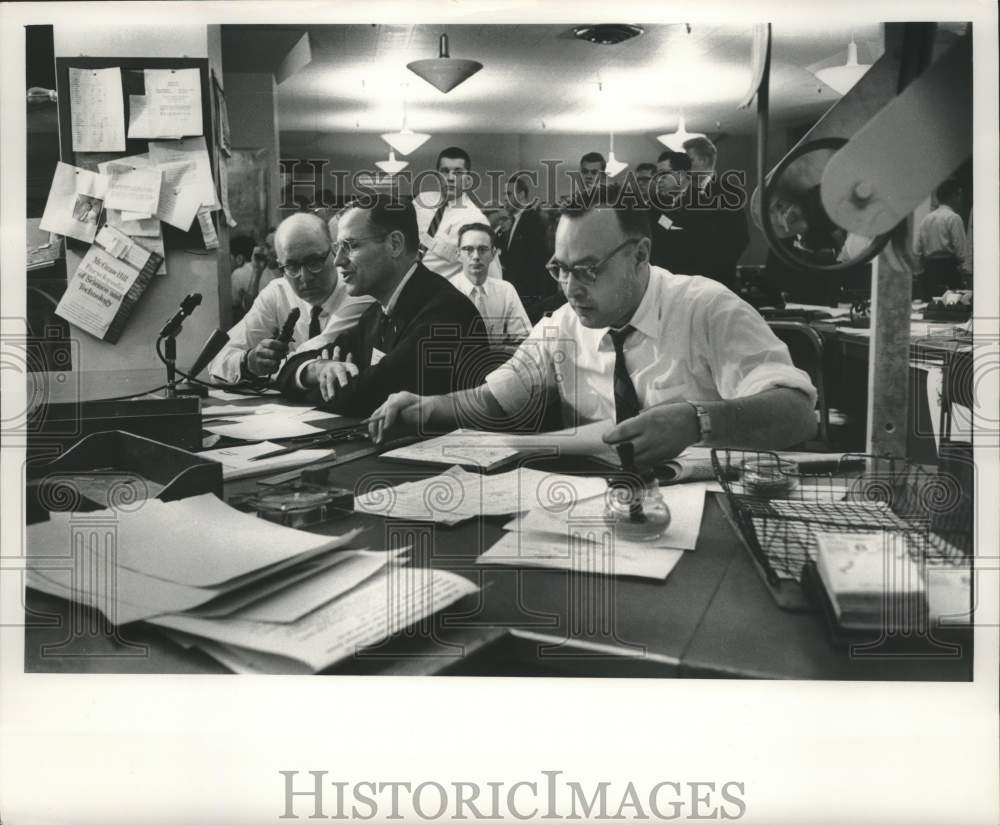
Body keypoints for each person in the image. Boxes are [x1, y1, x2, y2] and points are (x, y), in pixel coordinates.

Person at [369, 186, 818, 469]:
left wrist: (696, 420)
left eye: (587, 269)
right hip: (595, 511)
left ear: (640, 255)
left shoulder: (706, 307)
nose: (570, 289)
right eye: (560, 269)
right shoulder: (564, 324)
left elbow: (796, 413)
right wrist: (429, 407)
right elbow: (494, 398)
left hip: (709, 517)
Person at [275, 196, 487, 417]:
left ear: (395, 244)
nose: (338, 261)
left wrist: (337, 386)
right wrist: (318, 369)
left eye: (351, 246)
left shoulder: (446, 313)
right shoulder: (376, 313)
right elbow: (288, 372)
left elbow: (360, 399)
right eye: (338, 248)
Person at [209, 212, 373, 384]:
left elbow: (318, 350)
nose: (305, 277)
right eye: (292, 266)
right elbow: (216, 359)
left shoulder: (357, 289)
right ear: (280, 264)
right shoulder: (278, 292)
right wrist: (248, 362)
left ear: (334, 251)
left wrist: (264, 371)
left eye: (315, 261)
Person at [414, 146, 500, 281]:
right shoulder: (421, 202)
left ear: (468, 179)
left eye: (458, 172)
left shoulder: (475, 220)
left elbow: (490, 276)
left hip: (439, 294)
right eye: (445, 171)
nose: (450, 177)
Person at [682, 136, 750, 289]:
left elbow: (740, 238)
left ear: (704, 160)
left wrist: (715, 266)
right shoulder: (685, 194)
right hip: (686, 279)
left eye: (688, 161)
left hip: (717, 278)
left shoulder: (729, 194)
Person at [450, 222, 531, 347]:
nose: (476, 256)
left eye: (482, 249)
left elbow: (524, 340)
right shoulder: (446, 292)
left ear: (493, 254)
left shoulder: (506, 291)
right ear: (458, 254)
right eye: (468, 249)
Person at [497, 173, 556, 313]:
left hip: (529, 298)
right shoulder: (516, 221)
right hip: (518, 295)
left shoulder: (533, 221)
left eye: (509, 193)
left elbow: (537, 264)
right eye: (504, 194)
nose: (505, 198)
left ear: (522, 194)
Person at [914, 179, 967, 300]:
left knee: (930, 307)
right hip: (948, 269)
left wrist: (921, 270)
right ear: (953, 196)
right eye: (959, 195)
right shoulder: (954, 218)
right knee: (950, 309)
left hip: (929, 270)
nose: (959, 200)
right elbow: (961, 252)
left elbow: (917, 250)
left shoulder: (926, 219)